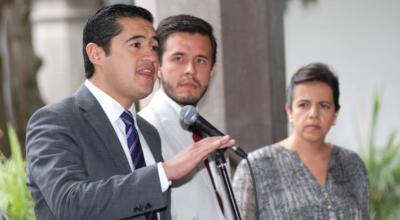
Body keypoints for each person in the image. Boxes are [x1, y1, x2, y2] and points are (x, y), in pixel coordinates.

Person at [25, 4, 235, 220]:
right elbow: (69, 203)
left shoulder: (147, 132)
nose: (151, 58)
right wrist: (164, 172)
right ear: (96, 54)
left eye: (154, 48)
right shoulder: (56, 121)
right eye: (136, 45)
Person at [232, 63, 369, 219]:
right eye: (303, 105)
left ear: (335, 115)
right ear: (289, 111)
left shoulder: (352, 165)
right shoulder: (255, 168)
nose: (313, 114)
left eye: (324, 106)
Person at [139, 15, 234, 220]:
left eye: (200, 60)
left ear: (212, 70)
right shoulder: (143, 130)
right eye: (178, 58)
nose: (190, 70)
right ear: (158, 66)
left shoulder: (209, 132)